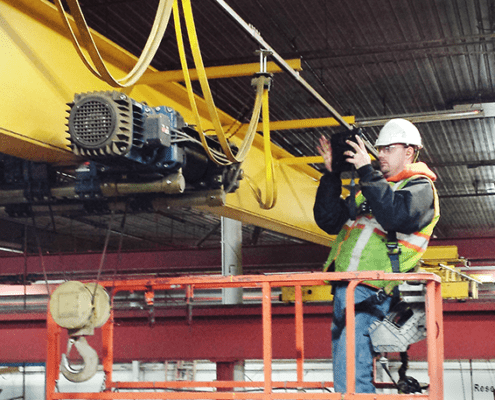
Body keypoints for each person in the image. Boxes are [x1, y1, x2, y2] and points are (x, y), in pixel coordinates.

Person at [313, 118, 439, 394]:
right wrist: (332, 175)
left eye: (388, 149)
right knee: (345, 367)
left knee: (351, 366)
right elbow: (329, 221)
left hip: (374, 290)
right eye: (378, 149)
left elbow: (396, 215)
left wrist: (366, 172)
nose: (380, 154)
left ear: (409, 152)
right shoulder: (369, 188)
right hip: (346, 287)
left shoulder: (419, 188)